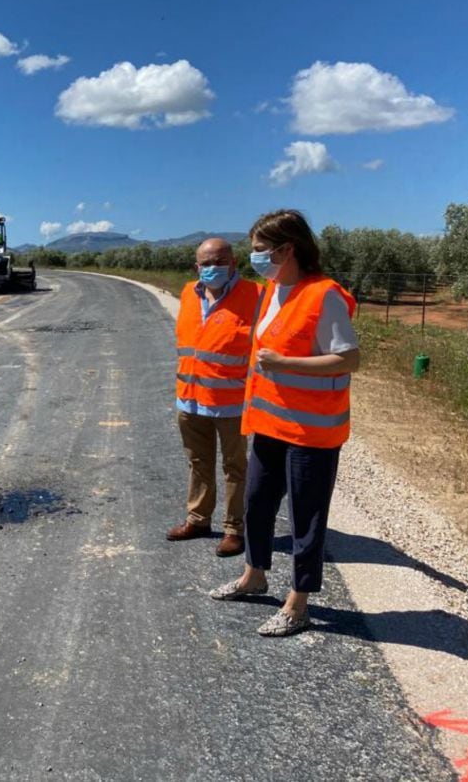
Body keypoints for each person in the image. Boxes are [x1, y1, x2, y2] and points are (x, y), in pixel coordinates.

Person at [209, 209, 360, 637]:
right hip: (271, 425)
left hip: (312, 431)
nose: (254, 258)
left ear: (286, 249)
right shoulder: (270, 291)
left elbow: (349, 358)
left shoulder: (323, 294)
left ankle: (299, 601)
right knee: (256, 502)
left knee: (306, 516)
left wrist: (284, 362)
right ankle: (253, 576)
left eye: (259, 250)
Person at [167, 238, 260, 557]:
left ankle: (235, 529)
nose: (212, 269)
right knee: (198, 463)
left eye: (219, 262)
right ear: (197, 267)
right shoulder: (188, 293)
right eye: (205, 264)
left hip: (232, 403)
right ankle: (198, 519)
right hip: (190, 399)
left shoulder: (255, 295)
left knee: (235, 466)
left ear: (234, 263)